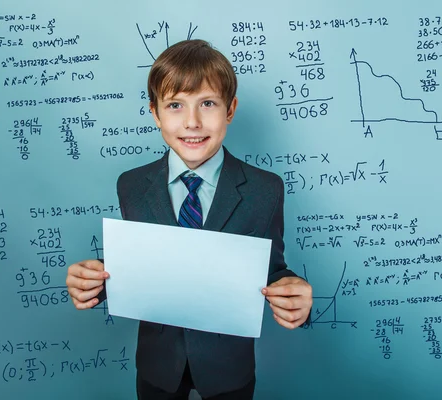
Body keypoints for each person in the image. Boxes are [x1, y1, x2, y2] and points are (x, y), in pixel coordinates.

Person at [66, 39, 313, 400]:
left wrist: (294, 294)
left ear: (230, 110)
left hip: (227, 366)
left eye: (208, 104)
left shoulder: (265, 189)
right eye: (176, 105)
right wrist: (95, 280)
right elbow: (142, 264)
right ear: (155, 113)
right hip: (157, 365)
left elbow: (272, 269)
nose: (192, 122)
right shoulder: (132, 185)